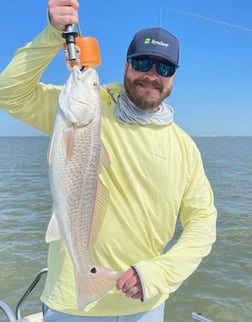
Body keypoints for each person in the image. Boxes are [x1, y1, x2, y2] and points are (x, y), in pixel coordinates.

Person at [0, 0, 217, 321]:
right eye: (143, 62)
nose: (152, 75)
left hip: (145, 303)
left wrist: (158, 274)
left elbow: (203, 222)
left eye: (165, 68)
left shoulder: (184, 146)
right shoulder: (87, 106)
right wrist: (51, 34)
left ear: (174, 78)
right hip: (71, 303)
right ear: (127, 64)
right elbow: (9, 93)